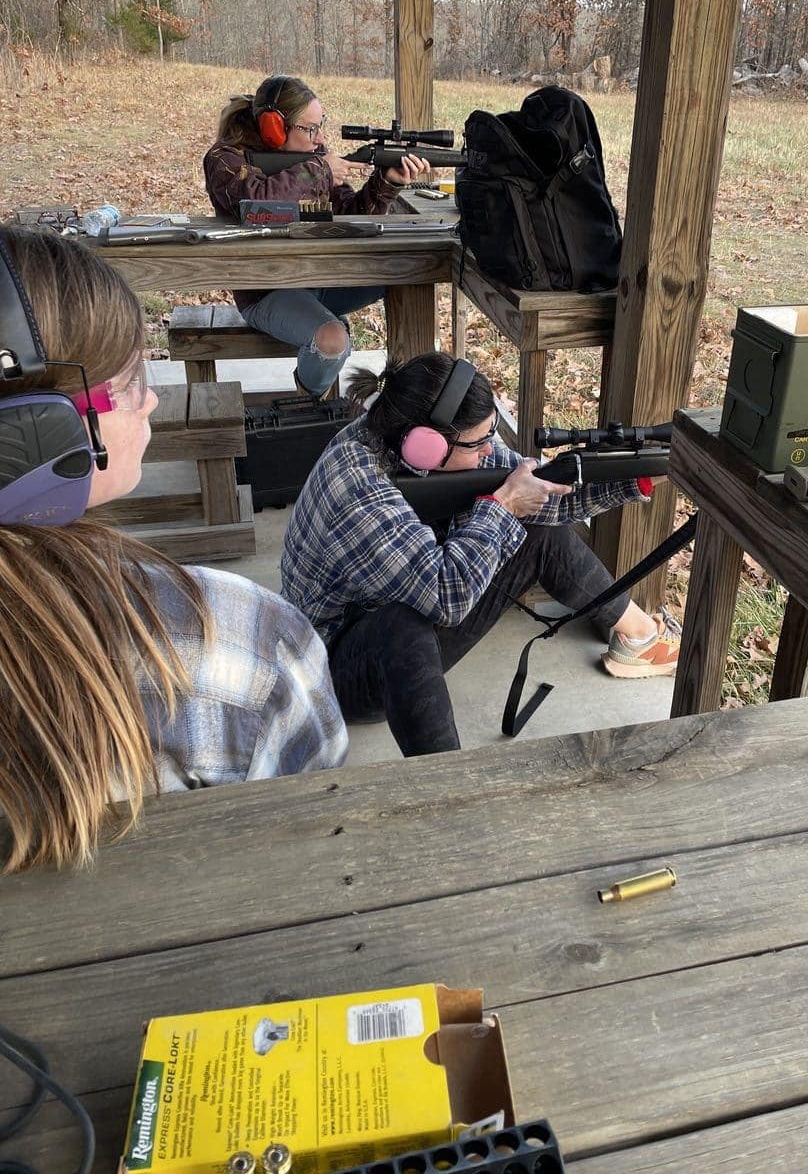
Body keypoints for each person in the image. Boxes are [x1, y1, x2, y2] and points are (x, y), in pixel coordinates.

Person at [0, 228, 348, 875]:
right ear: (37, 433)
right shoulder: (233, 638)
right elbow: (314, 832)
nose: (152, 398)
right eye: (132, 380)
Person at [281, 352, 681, 758]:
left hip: (394, 609)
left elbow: (547, 493)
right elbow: (446, 597)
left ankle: (640, 637)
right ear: (427, 445)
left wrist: (640, 474)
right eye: (479, 442)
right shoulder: (356, 485)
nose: (491, 451)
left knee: (538, 532)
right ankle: (454, 787)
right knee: (401, 628)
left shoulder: (403, 441)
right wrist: (503, 506)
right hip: (334, 667)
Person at [203, 74, 430, 396]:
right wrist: (319, 170)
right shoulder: (225, 159)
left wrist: (386, 184)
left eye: (320, 125)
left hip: (323, 275)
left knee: (408, 268)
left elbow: (353, 217)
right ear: (273, 126)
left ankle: (411, 396)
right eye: (309, 129)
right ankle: (305, 409)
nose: (319, 138)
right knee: (332, 340)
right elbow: (254, 204)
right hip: (266, 289)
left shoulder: (313, 154)